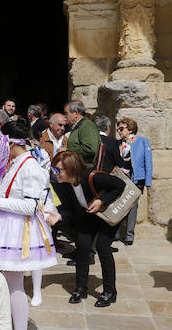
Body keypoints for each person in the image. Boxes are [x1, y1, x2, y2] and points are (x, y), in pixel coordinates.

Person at [0, 120, 58, 330]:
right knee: (1, 283)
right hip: (5, 225)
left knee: (15, 285)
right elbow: (11, 193)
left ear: (8, 142)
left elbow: (31, 205)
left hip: (17, 230)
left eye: (0, 140)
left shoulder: (29, 166)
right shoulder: (16, 163)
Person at [53, 150, 124, 307]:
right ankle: (81, 288)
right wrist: (57, 218)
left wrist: (101, 201)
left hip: (107, 214)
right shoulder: (65, 184)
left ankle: (110, 291)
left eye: (59, 170)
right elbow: (69, 209)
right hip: (88, 216)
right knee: (82, 246)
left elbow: (120, 185)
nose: (55, 173)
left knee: (103, 247)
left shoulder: (92, 176)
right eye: (54, 169)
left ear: (71, 168)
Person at [115, 117, 153, 246]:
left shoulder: (142, 141)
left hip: (136, 178)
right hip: (120, 178)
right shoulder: (118, 143)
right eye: (118, 128)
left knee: (132, 206)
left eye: (121, 128)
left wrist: (148, 181)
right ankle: (116, 233)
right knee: (118, 203)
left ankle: (129, 235)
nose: (119, 131)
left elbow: (148, 162)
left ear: (130, 129)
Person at [64, 100, 100, 166]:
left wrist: (68, 151)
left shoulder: (87, 126)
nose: (65, 117)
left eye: (66, 113)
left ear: (76, 113)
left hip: (84, 169)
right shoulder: (79, 126)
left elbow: (90, 149)